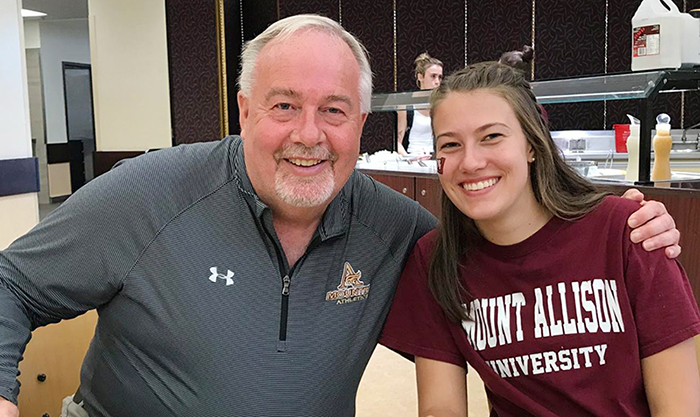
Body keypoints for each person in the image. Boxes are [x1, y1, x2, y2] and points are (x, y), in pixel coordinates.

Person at [0, 15, 683, 417]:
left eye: (333, 110)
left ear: (362, 122)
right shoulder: (150, 194)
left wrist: (626, 225)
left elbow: (514, 256)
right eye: (283, 105)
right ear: (243, 112)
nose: (309, 133)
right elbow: (11, 284)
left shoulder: (401, 235)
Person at [380, 62, 700, 417]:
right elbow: (442, 407)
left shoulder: (630, 231)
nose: (469, 162)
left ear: (532, 144)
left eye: (492, 137)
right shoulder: (436, 261)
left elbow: (680, 407)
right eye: (451, 144)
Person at [397, 52, 443, 156]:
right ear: (420, 77)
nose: (437, 82)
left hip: (435, 158)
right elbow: (397, 142)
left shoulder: (441, 106)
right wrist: (408, 159)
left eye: (440, 77)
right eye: (433, 76)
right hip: (412, 156)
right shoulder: (406, 105)